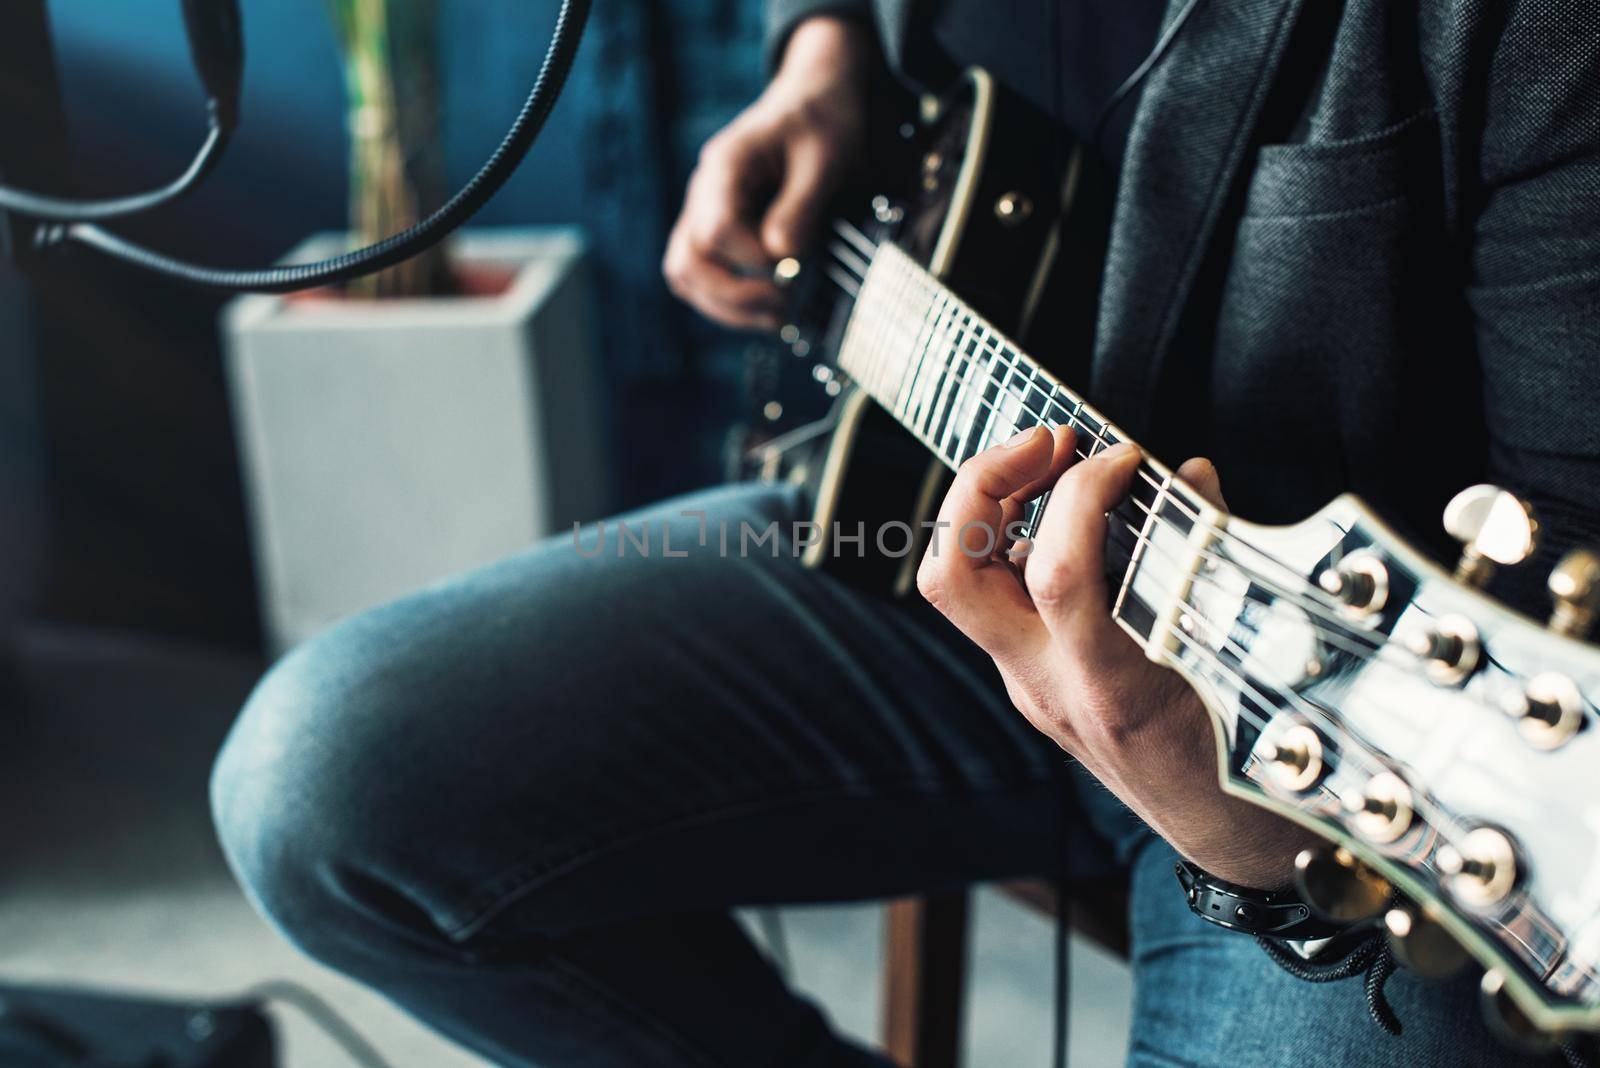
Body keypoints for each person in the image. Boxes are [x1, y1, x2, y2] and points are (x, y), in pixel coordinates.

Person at [211, 2, 1600, 1065]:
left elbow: (1565, 555)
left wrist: (1236, 828)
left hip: (1325, 757)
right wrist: (823, 53)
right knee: (324, 785)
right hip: (926, 556)